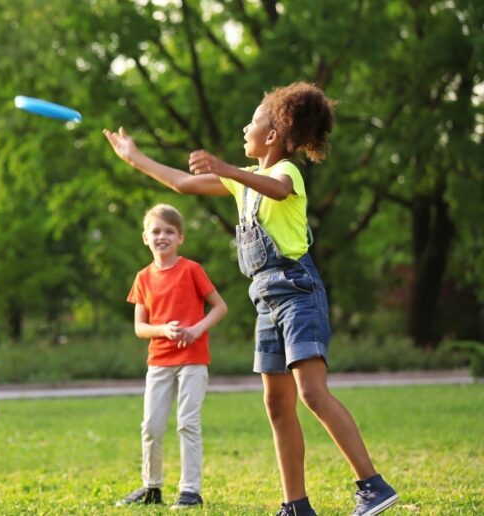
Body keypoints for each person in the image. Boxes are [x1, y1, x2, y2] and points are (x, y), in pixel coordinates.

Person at [103, 82, 399, 516]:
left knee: (312, 394)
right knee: (276, 402)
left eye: (253, 121)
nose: (245, 127)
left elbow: (276, 189)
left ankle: (373, 485)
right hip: (265, 300)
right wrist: (135, 158)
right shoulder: (243, 185)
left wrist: (226, 167)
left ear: (274, 135)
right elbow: (183, 183)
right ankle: (296, 505)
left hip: (297, 293)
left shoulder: (287, 172)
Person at [117, 204, 227, 510]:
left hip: (193, 359)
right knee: (151, 426)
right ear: (145, 238)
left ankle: (190, 490)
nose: (161, 236)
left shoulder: (191, 270)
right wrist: (163, 329)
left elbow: (219, 307)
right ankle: (151, 487)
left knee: (187, 423)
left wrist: (197, 329)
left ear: (180, 237)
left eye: (169, 231)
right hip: (159, 362)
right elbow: (140, 327)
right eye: (156, 231)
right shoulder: (143, 278)